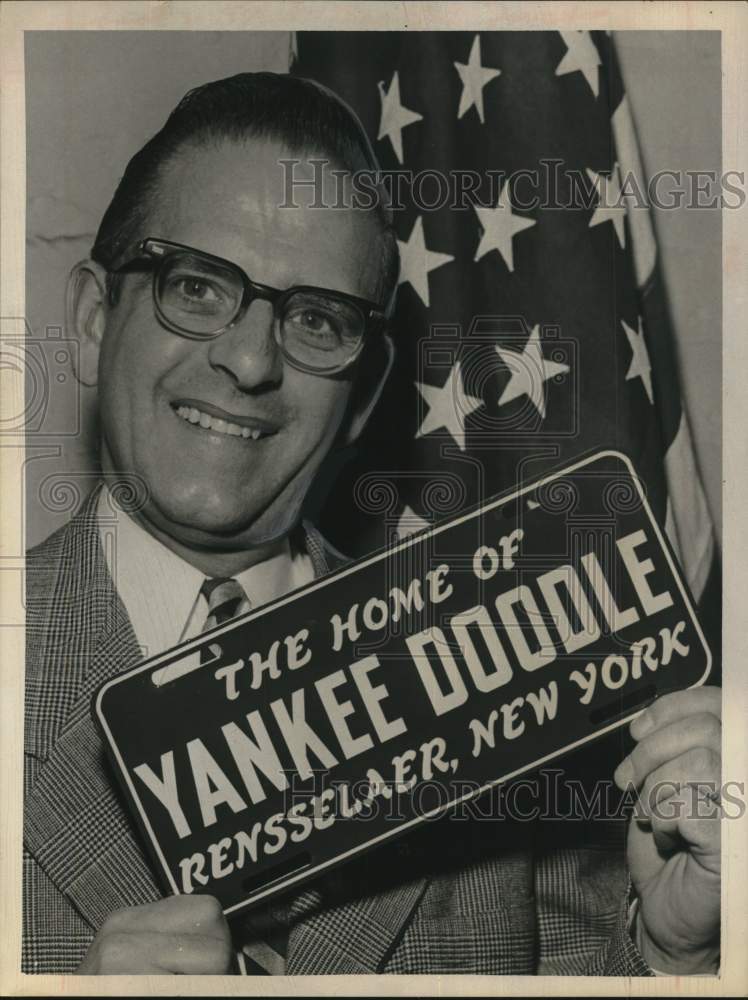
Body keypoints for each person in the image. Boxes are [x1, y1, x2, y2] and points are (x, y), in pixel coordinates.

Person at [23, 71, 721, 977]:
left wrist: (674, 954)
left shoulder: (494, 679)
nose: (246, 359)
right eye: (195, 288)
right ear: (89, 318)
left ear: (363, 401)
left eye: (316, 318)